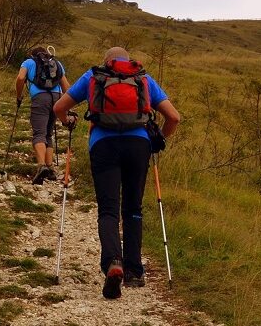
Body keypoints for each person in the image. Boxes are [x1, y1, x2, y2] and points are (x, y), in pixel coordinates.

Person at [53, 46, 180, 299]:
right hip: (138, 146)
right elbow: (174, 117)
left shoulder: (93, 76)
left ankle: (113, 263)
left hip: (103, 145)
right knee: (133, 208)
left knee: (108, 209)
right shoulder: (143, 79)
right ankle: (135, 271)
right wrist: (158, 140)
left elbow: (59, 107)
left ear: (107, 61)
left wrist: (68, 122)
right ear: (127, 61)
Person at [15, 47, 71, 184]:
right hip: (56, 98)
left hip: (40, 98)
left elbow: (21, 77)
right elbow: (67, 88)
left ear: (32, 55)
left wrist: (19, 95)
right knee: (48, 133)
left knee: (39, 133)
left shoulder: (28, 62)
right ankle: (50, 167)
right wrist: (64, 105)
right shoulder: (57, 63)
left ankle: (41, 167)